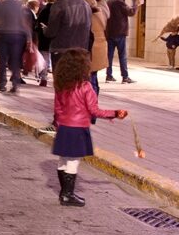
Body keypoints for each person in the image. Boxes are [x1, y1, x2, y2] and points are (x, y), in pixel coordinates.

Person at [51, 49, 128, 207]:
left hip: (64, 127)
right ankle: (67, 195)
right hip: (78, 128)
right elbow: (94, 111)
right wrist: (114, 113)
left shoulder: (61, 85)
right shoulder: (86, 87)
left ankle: (64, 192)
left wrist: (58, 125)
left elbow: (57, 109)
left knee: (63, 159)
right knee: (73, 160)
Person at [0, 0, 31, 94]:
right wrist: (29, 38)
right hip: (18, 36)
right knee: (15, 61)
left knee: (2, 61)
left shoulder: (1, 6)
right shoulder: (21, 6)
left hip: (4, 35)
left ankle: (2, 84)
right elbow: (25, 23)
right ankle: (15, 84)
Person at [43, 0, 91, 73]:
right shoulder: (85, 4)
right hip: (81, 49)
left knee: (61, 78)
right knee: (77, 78)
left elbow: (51, 32)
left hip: (61, 50)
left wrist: (45, 29)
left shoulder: (59, 5)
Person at [105, 0, 140, 84]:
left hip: (110, 32)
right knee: (122, 55)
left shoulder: (108, 2)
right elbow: (131, 12)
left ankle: (109, 75)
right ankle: (125, 77)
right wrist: (137, 5)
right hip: (120, 32)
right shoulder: (119, 2)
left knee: (109, 55)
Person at [80, 0, 108, 106]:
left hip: (91, 49)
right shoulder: (100, 11)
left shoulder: (89, 14)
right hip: (99, 47)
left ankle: (91, 106)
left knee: (90, 79)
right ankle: (93, 104)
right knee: (93, 77)